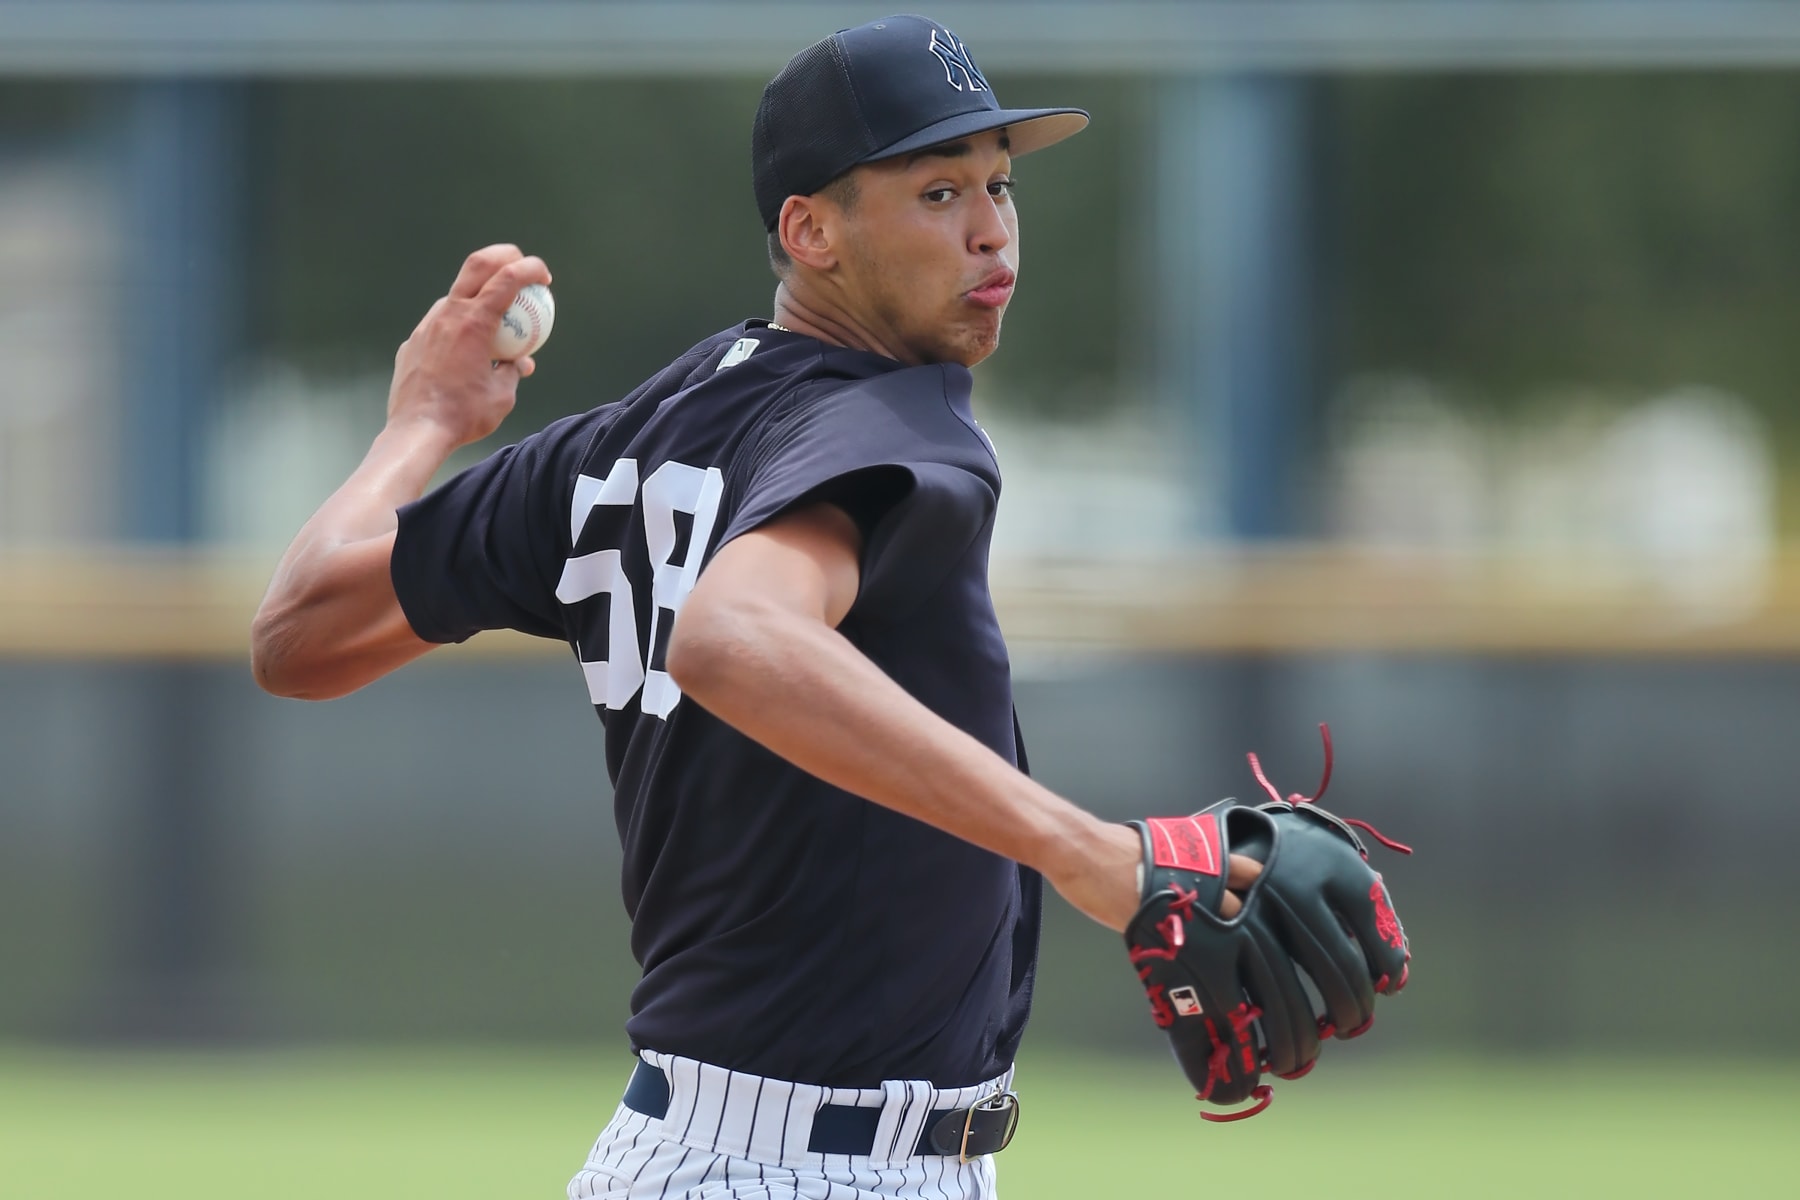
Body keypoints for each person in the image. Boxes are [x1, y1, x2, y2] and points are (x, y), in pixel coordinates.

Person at [252, 15, 1259, 1199]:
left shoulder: (629, 439)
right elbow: (734, 637)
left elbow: (301, 629)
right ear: (810, 230)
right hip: (816, 1167)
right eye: (938, 193)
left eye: (997, 184)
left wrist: (417, 426)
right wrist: (1095, 856)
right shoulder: (899, 423)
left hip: (688, 1149)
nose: (992, 230)